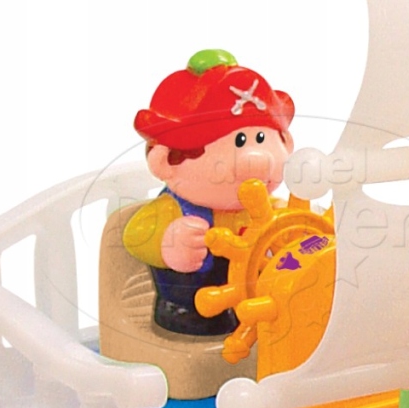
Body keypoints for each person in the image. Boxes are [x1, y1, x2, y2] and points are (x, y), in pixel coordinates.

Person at [124, 50, 296, 335]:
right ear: (166, 162)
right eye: (238, 141)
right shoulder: (171, 210)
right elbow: (135, 236)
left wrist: (292, 232)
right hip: (192, 313)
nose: (256, 159)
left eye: (260, 138)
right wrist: (168, 243)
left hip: (261, 306)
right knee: (200, 320)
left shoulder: (268, 206)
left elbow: (289, 233)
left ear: (286, 142)